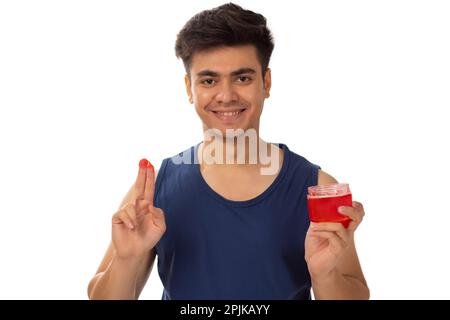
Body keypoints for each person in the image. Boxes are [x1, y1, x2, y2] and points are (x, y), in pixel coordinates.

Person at [87, 3, 369, 300]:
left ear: (266, 82)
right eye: (209, 80)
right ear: (189, 88)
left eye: (243, 78)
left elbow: (356, 292)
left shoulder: (319, 188)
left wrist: (325, 275)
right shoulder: (152, 192)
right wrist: (126, 259)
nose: (226, 96)